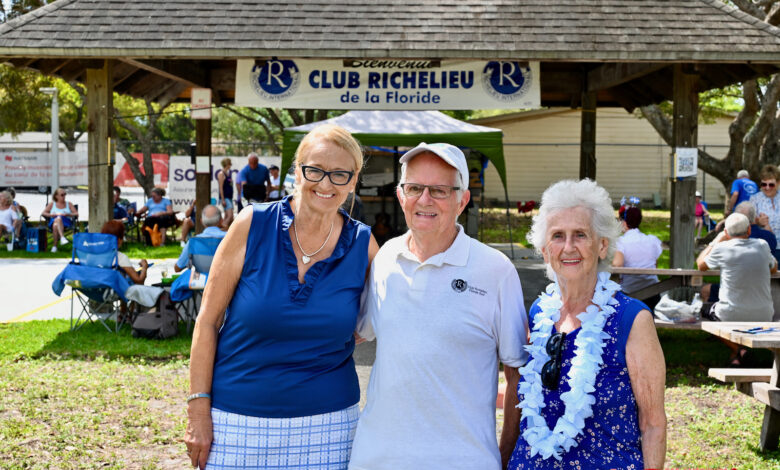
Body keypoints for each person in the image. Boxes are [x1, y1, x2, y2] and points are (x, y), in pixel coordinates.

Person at [184, 124, 378, 469]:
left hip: (329, 426)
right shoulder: (251, 225)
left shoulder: (364, 246)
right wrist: (198, 408)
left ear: (354, 180)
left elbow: (394, 312)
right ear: (296, 170)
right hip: (235, 419)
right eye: (314, 169)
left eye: (339, 174)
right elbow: (207, 321)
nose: (325, 183)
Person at [350, 143, 527, 470]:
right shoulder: (385, 257)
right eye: (415, 188)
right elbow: (354, 333)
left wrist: (505, 456)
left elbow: (519, 376)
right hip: (375, 459)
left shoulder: (496, 270)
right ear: (401, 196)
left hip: (464, 461)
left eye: (440, 190)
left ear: (463, 200)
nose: (425, 199)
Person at [508, 179, 666, 469]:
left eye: (580, 235)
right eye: (557, 236)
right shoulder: (538, 313)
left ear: (602, 245)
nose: (568, 247)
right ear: (545, 250)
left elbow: (653, 423)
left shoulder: (632, 320)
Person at [698, 213, 777, 365]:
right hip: (764, 314)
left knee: (704, 313)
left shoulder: (722, 248)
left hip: (731, 314)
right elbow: (773, 269)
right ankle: (737, 355)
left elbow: (700, 264)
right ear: (749, 230)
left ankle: (739, 350)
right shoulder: (762, 245)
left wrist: (715, 241)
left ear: (726, 233)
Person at [612, 206, 663, 310]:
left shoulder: (621, 242)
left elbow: (617, 264)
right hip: (652, 293)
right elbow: (655, 266)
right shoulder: (652, 240)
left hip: (628, 293)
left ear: (624, 222)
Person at [174, 205, 225, 273]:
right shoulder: (231, 238)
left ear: (201, 222)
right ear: (221, 220)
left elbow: (177, 268)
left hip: (202, 282)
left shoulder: (193, 242)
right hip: (229, 281)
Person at [100, 220, 149, 285]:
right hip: (115, 292)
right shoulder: (120, 257)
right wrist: (144, 267)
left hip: (92, 292)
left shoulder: (91, 255)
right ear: (119, 240)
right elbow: (139, 281)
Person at [42, 187, 78, 252]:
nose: (64, 196)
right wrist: (51, 215)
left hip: (65, 221)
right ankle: (62, 237)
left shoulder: (69, 204)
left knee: (55, 225)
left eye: (65, 194)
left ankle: (54, 247)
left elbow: (76, 214)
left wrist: (68, 214)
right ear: (56, 196)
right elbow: (43, 213)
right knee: (57, 219)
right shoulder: (52, 204)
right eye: (62, 195)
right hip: (53, 220)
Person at [750, 164, 780, 241]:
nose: (767, 188)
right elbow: (747, 222)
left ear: (778, 183)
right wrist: (758, 221)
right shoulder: (755, 199)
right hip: (765, 246)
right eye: (764, 184)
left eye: (771, 185)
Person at [215, 158, 235, 227]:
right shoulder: (221, 174)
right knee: (230, 216)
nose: (230, 165)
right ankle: (222, 227)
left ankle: (225, 232)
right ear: (226, 164)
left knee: (228, 217)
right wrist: (223, 200)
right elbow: (221, 187)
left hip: (229, 197)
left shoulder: (227, 173)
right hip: (225, 198)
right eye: (229, 164)